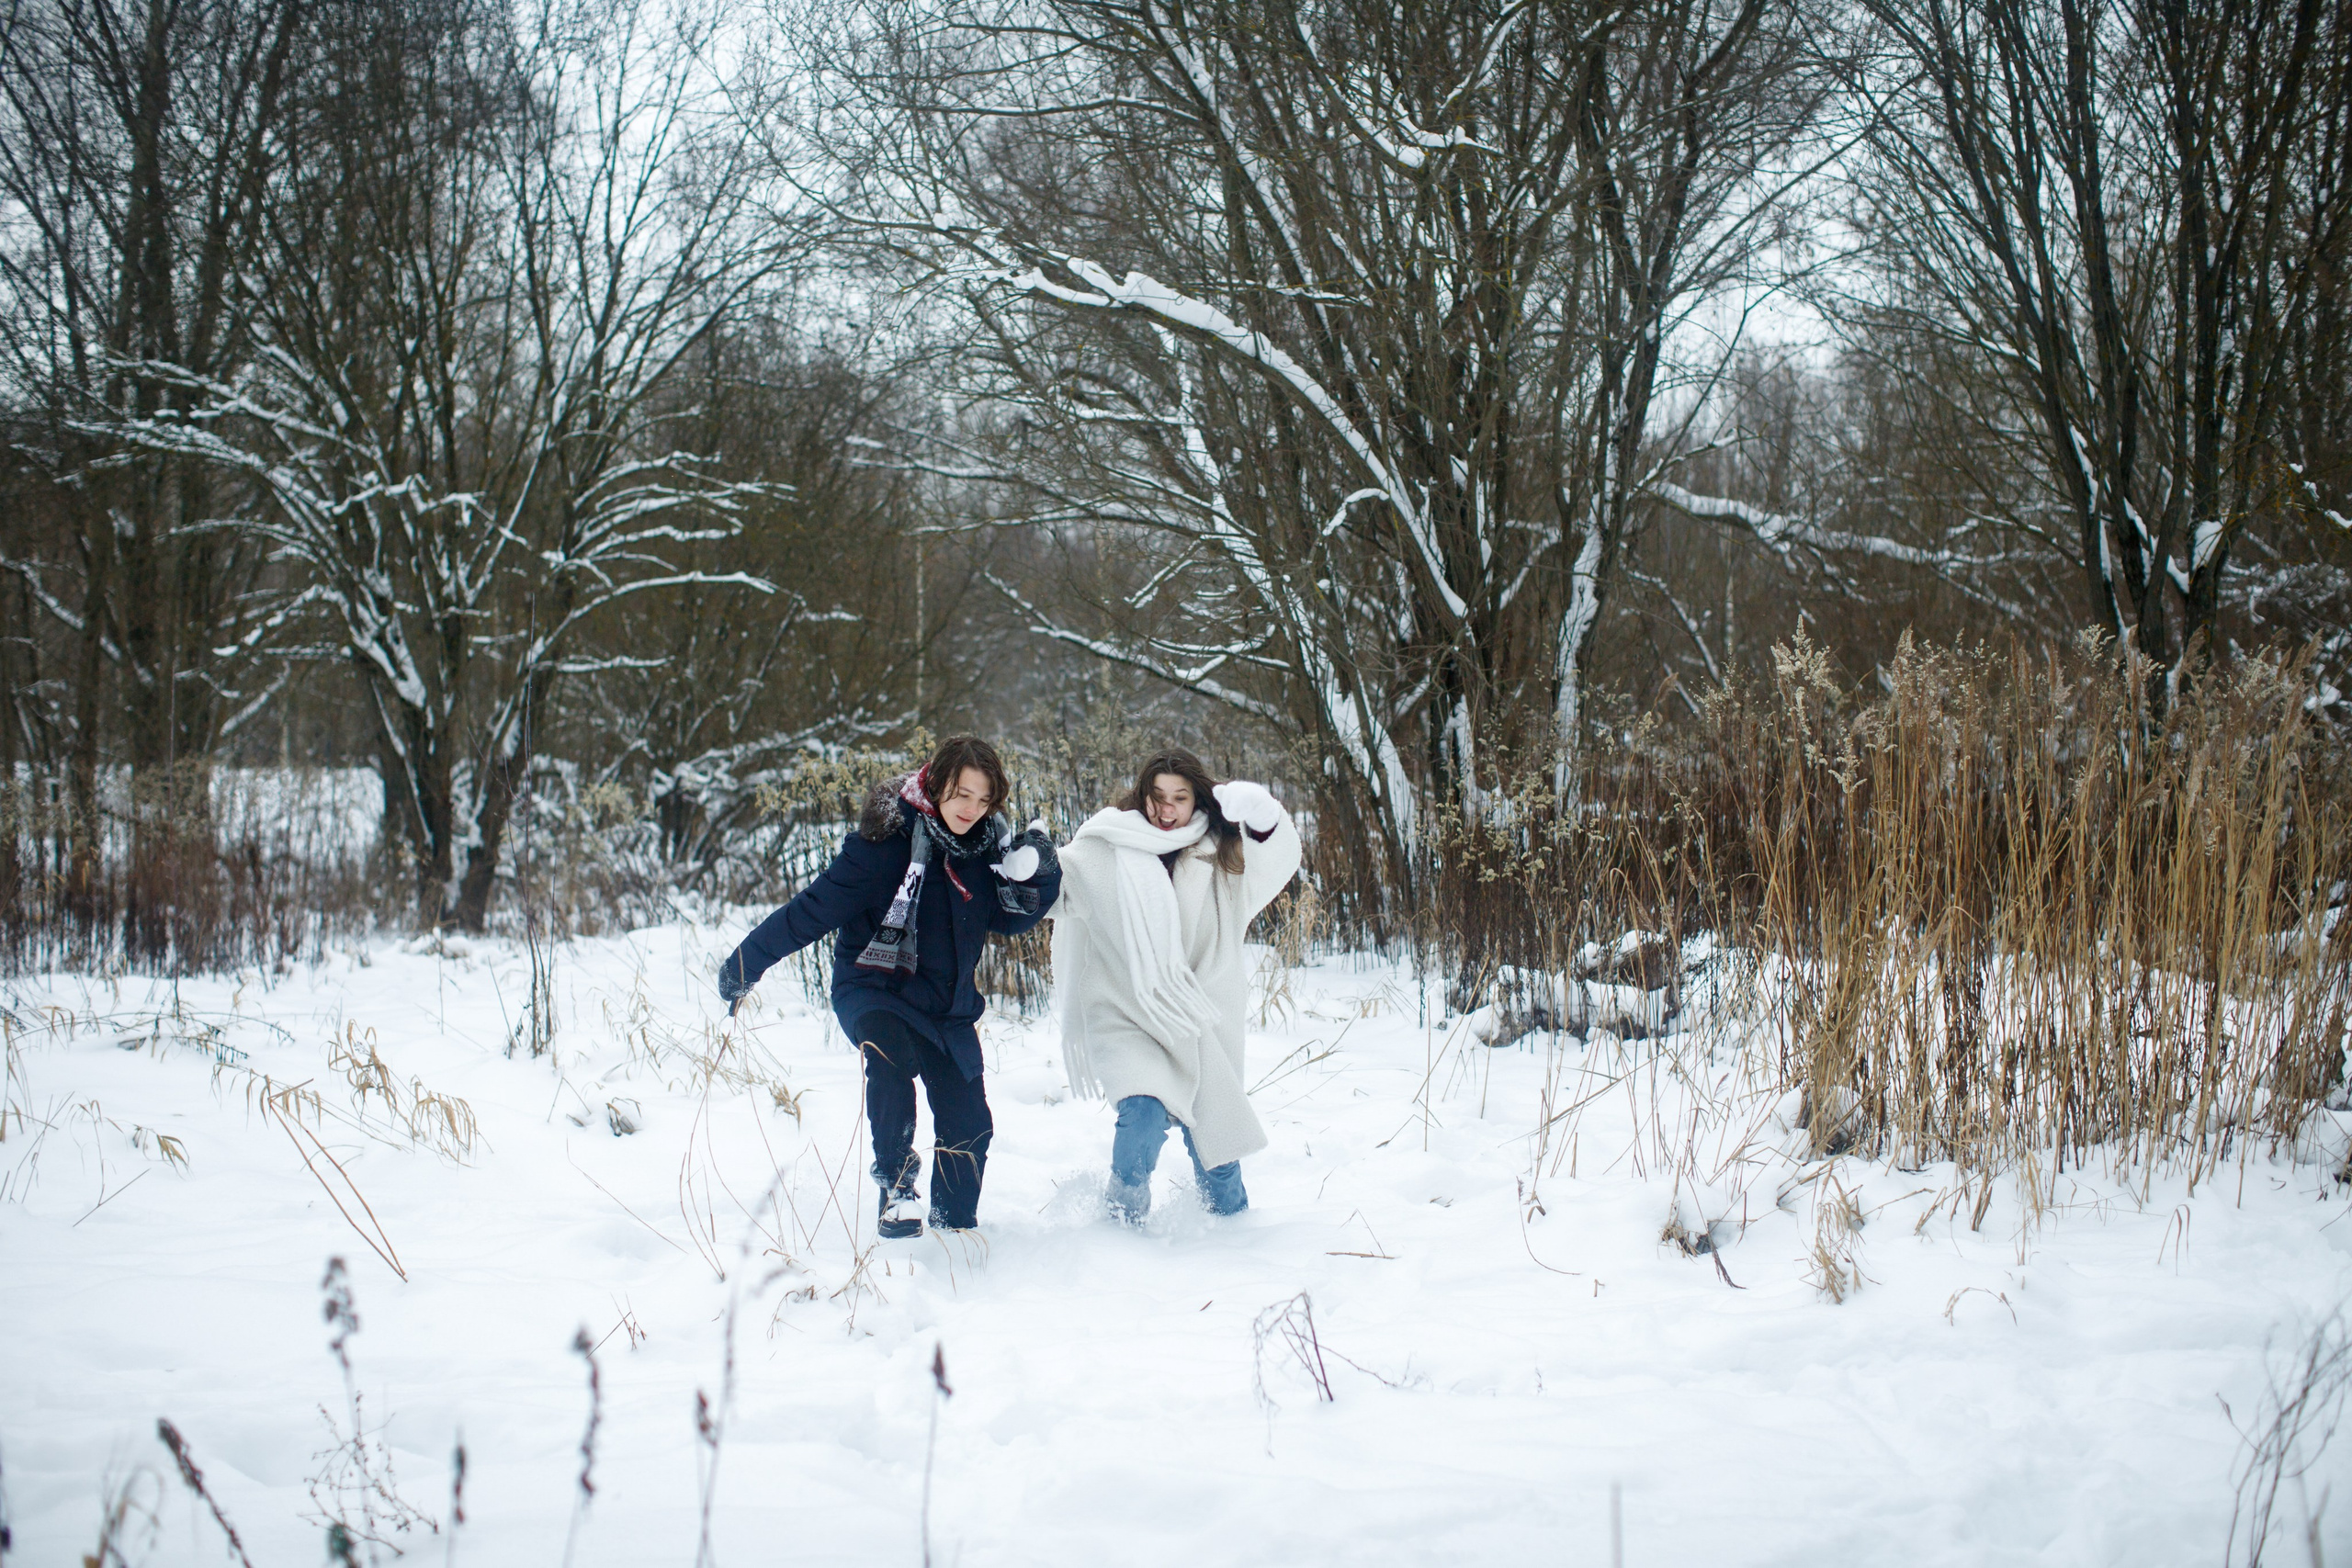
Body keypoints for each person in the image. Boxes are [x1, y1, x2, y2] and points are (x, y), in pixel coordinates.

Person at [717, 737, 1060, 1239]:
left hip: (947, 1007)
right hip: (875, 988)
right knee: (890, 1060)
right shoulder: (885, 846)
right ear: (937, 781)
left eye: (984, 800)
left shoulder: (986, 847)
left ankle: (954, 1231)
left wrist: (1042, 879)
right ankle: (897, 1192)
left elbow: (1006, 920)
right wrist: (745, 964)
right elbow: (811, 911)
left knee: (971, 1124)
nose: (971, 809)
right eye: (962, 793)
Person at [1049, 748, 1300, 1223]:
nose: (1166, 810)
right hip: (1129, 1013)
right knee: (1140, 1118)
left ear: (1196, 799)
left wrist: (1265, 818)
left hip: (1202, 1019)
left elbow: (1276, 866)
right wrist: (1027, 866)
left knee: (1218, 1157)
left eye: (1179, 798)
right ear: (1142, 795)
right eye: (1156, 796)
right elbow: (1056, 889)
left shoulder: (1223, 852)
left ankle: (1234, 1233)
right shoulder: (1108, 846)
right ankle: (1122, 1227)